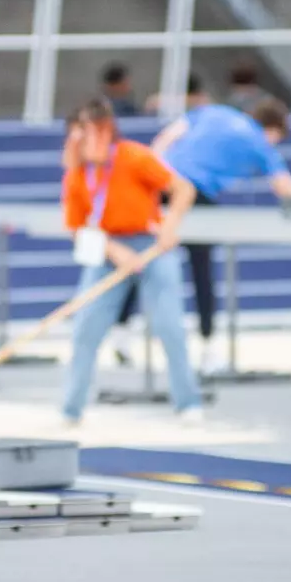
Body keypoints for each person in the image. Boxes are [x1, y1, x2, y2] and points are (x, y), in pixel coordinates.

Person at [145, 97, 291, 369]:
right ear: (272, 130)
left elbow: (165, 138)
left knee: (141, 255)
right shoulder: (260, 143)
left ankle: (122, 331)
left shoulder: (213, 112)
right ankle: (208, 346)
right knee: (201, 270)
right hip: (196, 195)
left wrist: (152, 179)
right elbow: (289, 190)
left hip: (161, 184)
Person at [60, 97, 203, 425]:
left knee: (169, 325)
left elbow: (183, 189)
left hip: (150, 243)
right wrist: (115, 251)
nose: (76, 142)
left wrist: (169, 226)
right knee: (86, 327)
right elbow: (77, 227)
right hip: (107, 248)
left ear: (103, 130)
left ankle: (188, 401)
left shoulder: (135, 156)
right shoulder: (77, 174)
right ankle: (71, 408)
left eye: (83, 133)